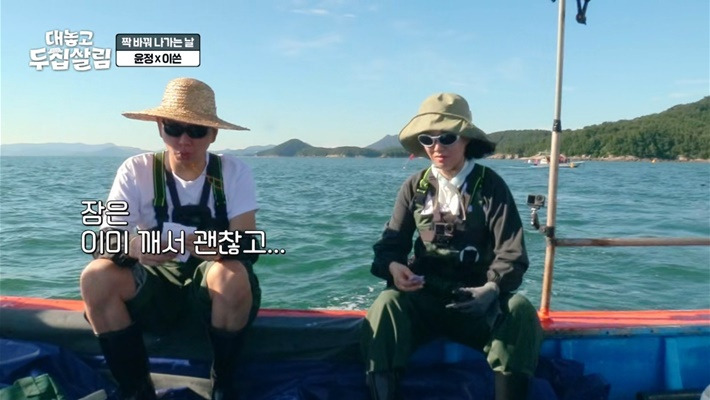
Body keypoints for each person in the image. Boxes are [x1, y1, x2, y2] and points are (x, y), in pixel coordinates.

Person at [80, 77, 261, 400]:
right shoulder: (135, 170)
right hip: (154, 283)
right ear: (159, 128)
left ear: (213, 134)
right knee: (96, 276)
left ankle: (223, 384)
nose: (184, 140)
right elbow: (103, 241)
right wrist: (134, 247)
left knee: (232, 274)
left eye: (196, 130)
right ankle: (136, 390)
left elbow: (248, 243)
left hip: (210, 285)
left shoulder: (235, 172)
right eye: (174, 128)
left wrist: (217, 246)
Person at [362, 93, 543, 400]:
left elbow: (512, 252)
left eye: (447, 137)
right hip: (424, 297)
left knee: (520, 311)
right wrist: (394, 268)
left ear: (466, 139)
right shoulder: (414, 187)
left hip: (477, 303)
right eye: (428, 139)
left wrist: (492, 289)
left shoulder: (490, 186)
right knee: (386, 305)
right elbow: (391, 245)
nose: (437, 147)